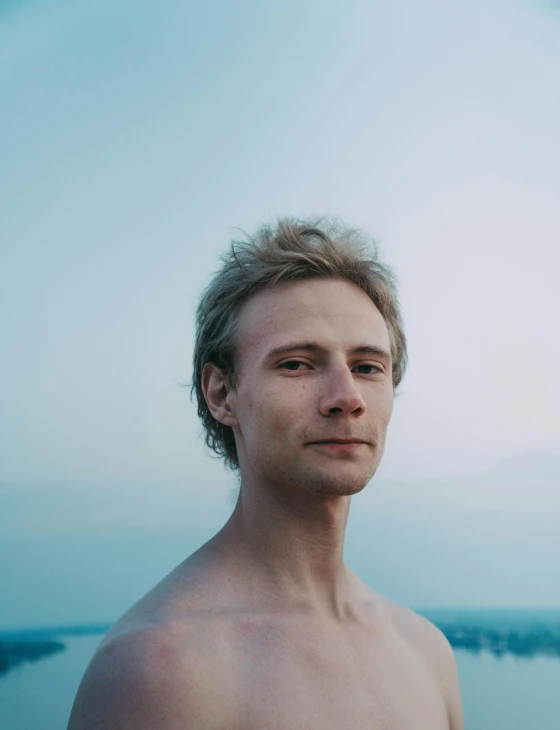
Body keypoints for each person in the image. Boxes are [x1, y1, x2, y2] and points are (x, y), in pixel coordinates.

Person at [68, 217, 464, 729]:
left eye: (368, 367)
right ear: (222, 394)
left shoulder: (424, 653)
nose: (347, 397)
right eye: (298, 364)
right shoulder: (158, 670)